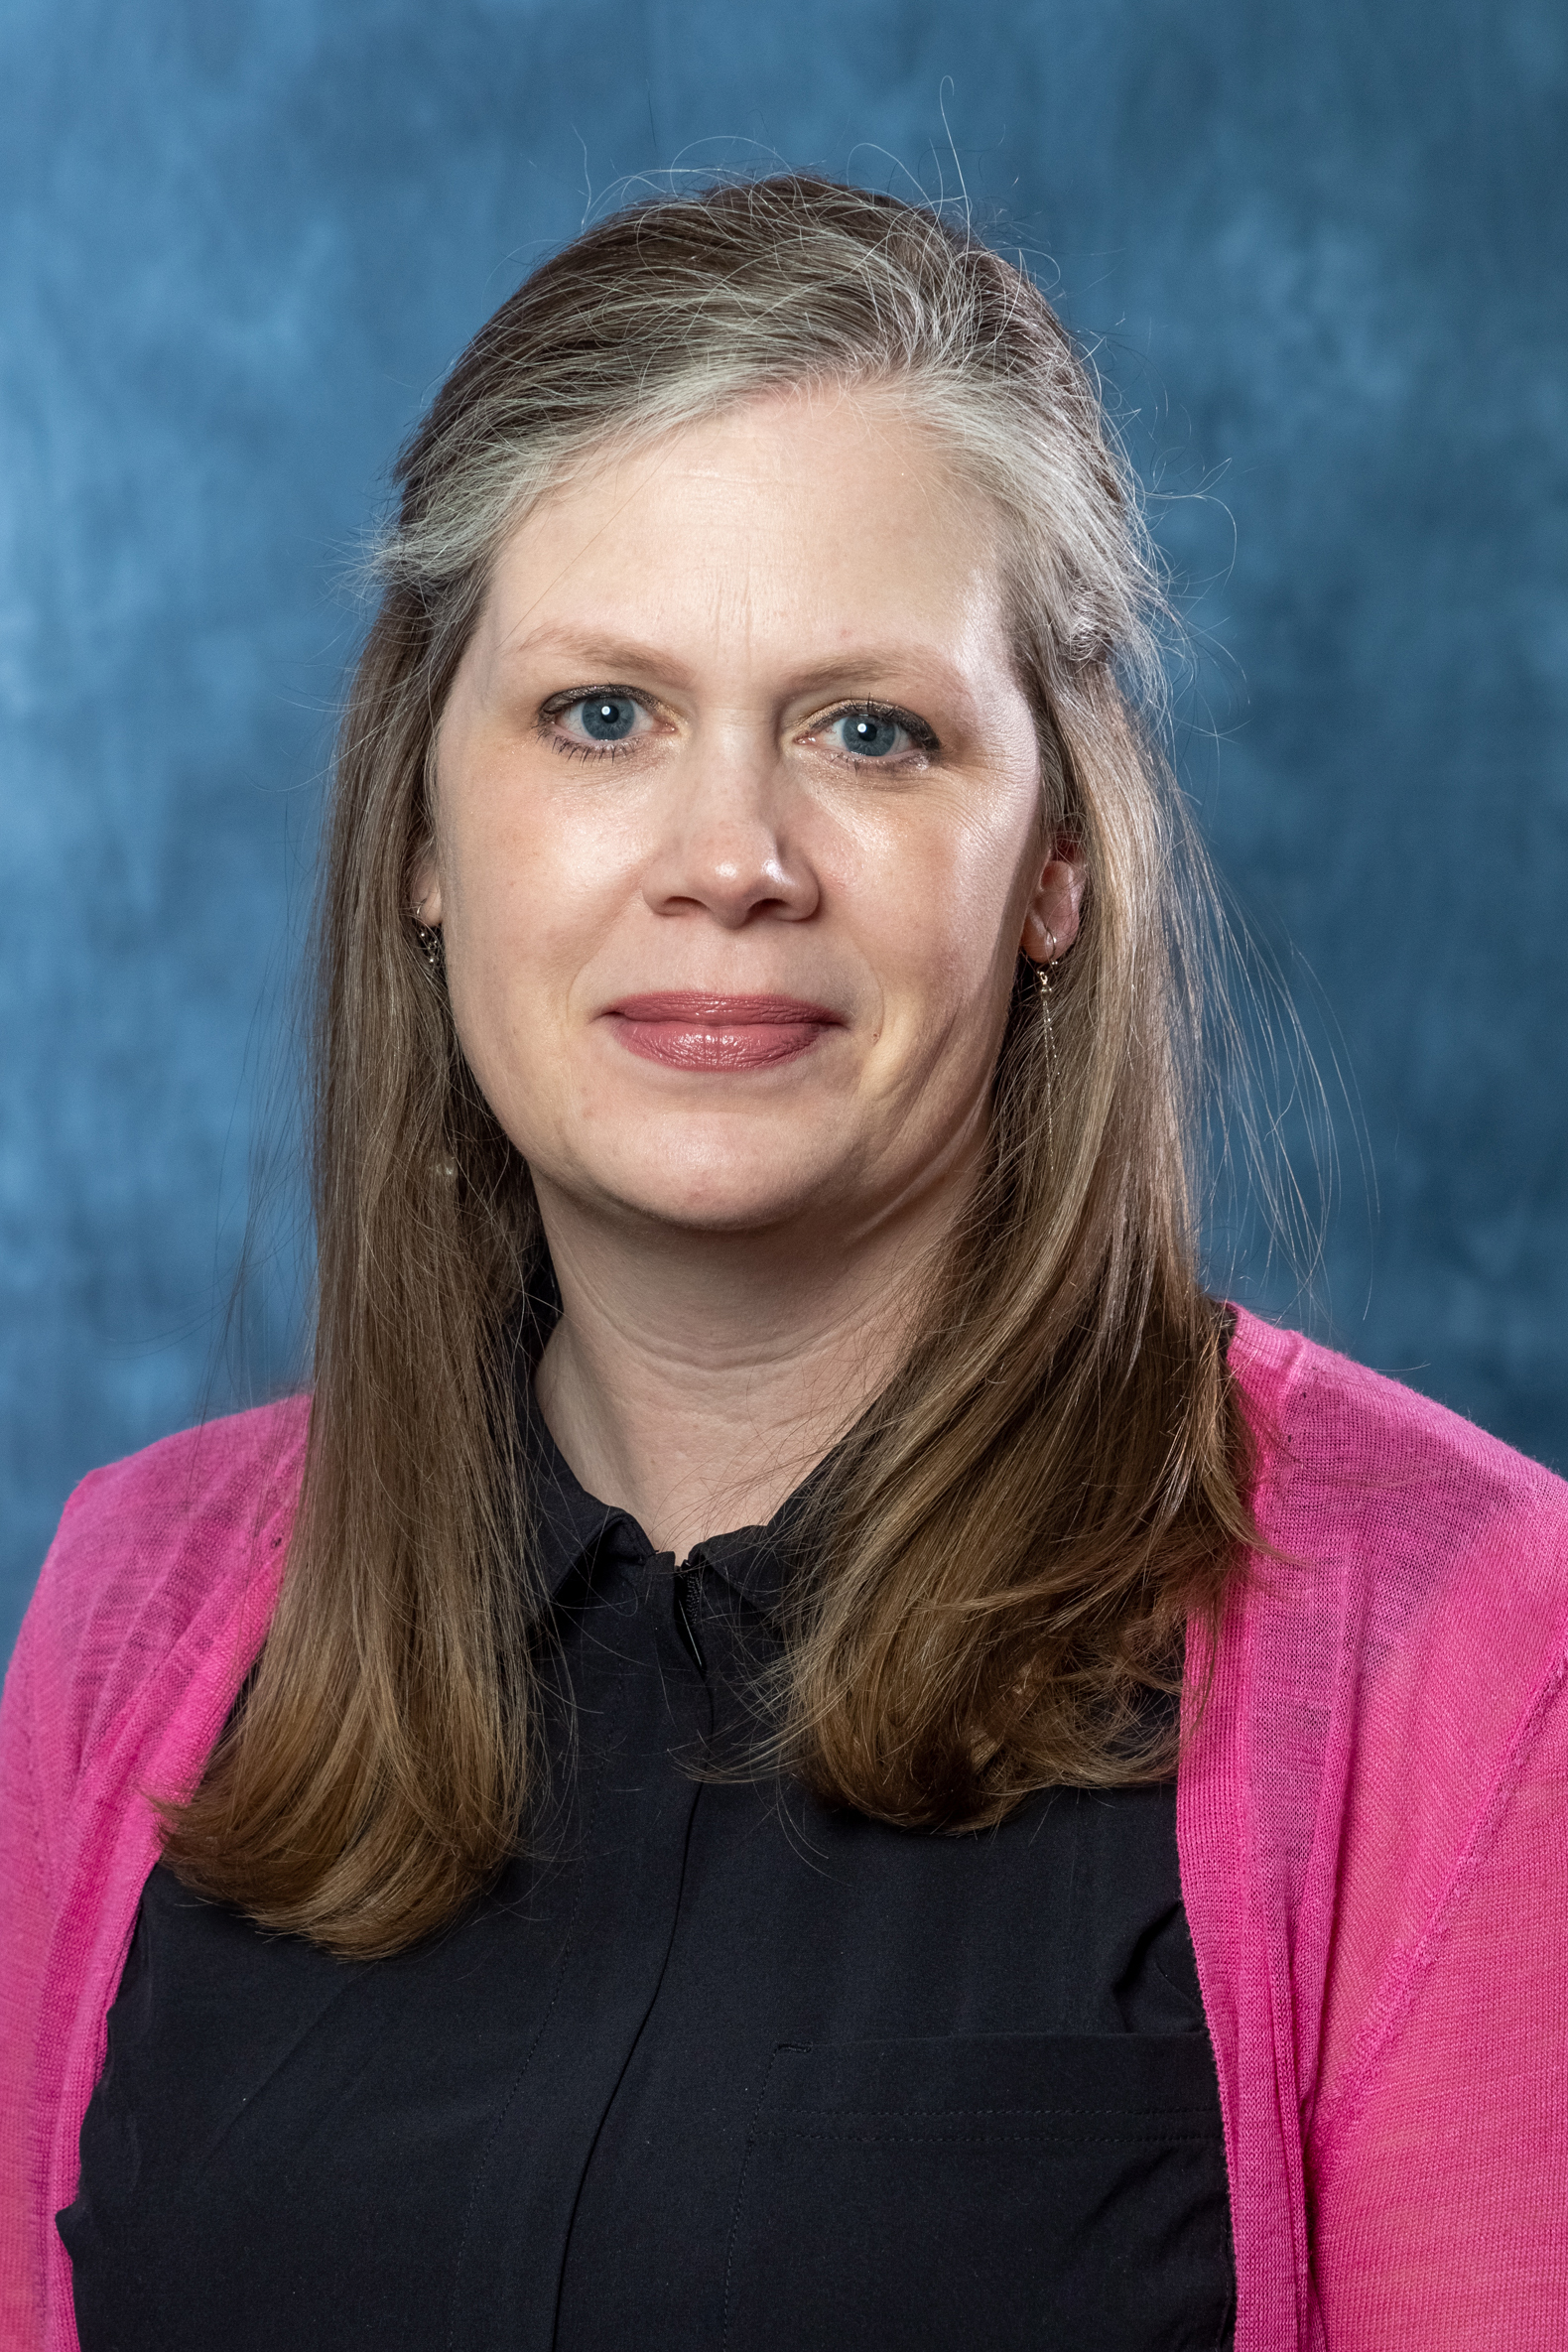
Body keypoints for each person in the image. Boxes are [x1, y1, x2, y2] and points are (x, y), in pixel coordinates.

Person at [2, 176, 1565, 2352]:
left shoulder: (1471, 1654)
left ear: (1053, 867)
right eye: (602, 716)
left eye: (870, 731)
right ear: (426, 833)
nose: (729, 863)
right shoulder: (130, 1618)